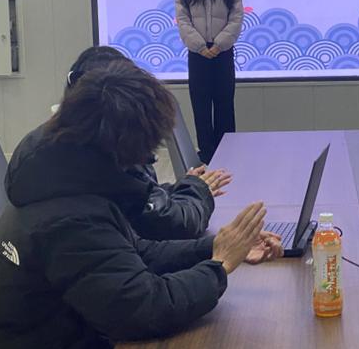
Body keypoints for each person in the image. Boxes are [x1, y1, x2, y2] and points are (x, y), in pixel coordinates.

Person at [0, 61, 282, 349]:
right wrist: (219, 266)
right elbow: (145, 308)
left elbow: (132, 254)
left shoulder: (64, 172)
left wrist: (216, 246)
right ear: (126, 147)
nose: (148, 161)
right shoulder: (68, 217)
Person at [43, 45, 232, 240]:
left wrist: (186, 187)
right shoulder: (107, 154)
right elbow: (167, 223)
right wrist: (198, 194)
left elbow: (140, 198)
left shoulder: (60, 146)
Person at [176, 0, 244, 164]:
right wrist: (200, 46)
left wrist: (218, 45)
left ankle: (228, 153)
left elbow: (236, 18)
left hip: (222, 54)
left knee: (225, 104)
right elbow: (183, 20)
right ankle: (206, 154)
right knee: (201, 106)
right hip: (198, 55)